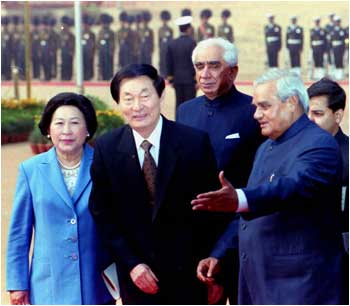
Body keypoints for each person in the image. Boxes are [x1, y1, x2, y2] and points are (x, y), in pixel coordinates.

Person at [194, 69, 345, 304]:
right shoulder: (266, 147)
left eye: (264, 106)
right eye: (255, 107)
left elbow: (290, 187)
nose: (256, 115)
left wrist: (240, 199)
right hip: (256, 283)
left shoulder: (319, 144)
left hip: (299, 287)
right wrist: (219, 254)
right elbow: (246, 211)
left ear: (292, 102)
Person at [89, 64, 222, 305]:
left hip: (191, 276)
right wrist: (131, 263)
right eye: (128, 98)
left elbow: (213, 213)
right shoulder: (107, 148)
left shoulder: (194, 143)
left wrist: (215, 271)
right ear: (118, 104)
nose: (137, 106)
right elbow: (102, 213)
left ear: (160, 95)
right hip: (138, 277)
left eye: (145, 96)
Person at [177, 37, 265, 304]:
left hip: (243, 231)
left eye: (214, 66)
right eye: (199, 66)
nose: (205, 74)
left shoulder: (254, 112)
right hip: (196, 235)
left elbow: (259, 180)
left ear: (233, 71)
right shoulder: (185, 111)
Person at [6, 93, 113, 304]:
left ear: (87, 128)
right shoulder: (31, 170)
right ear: (48, 129)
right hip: (48, 285)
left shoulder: (105, 166)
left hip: (95, 284)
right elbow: (19, 234)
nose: (66, 131)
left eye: (75, 123)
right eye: (59, 123)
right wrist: (17, 284)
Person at [307, 78, 348, 250]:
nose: (309, 119)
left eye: (317, 114)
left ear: (337, 116)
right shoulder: (289, 149)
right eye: (306, 113)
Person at [166, 16, 197, 110]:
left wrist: (171, 79)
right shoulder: (192, 43)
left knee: (179, 105)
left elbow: (169, 62)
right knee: (191, 106)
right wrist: (196, 79)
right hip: (190, 80)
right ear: (188, 28)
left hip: (177, 80)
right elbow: (195, 62)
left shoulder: (172, 43)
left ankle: (178, 123)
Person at [97, 13, 115, 80]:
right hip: (101, 50)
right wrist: (98, 49)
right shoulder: (100, 32)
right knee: (101, 64)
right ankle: (101, 76)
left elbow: (112, 42)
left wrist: (111, 51)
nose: (103, 25)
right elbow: (98, 42)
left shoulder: (111, 32)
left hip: (108, 50)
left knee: (108, 64)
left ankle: (108, 76)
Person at [329, 16, 346, 80]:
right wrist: (330, 48)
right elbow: (330, 41)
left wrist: (344, 48)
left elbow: (345, 40)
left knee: (340, 60)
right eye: (336, 22)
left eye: (338, 21)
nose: (337, 23)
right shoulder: (332, 30)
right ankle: (335, 74)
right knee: (334, 60)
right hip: (334, 47)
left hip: (340, 47)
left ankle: (340, 74)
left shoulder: (342, 30)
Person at [158, 10, 173, 77]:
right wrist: (160, 48)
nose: (164, 21)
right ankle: (162, 74)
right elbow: (159, 40)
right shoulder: (160, 29)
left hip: (168, 47)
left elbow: (171, 39)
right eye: (163, 20)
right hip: (162, 47)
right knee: (162, 62)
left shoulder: (170, 29)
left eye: (165, 20)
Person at [60, 16, 75, 81]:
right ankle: (63, 76)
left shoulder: (71, 35)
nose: (63, 26)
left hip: (69, 51)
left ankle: (68, 76)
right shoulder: (61, 33)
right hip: (63, 50)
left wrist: (72, 51)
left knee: (69, 64)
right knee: (63, 64)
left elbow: (73, 43)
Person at [82, 14, 96, 81]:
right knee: (83, 64)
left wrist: (92, 51)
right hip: (83, 51)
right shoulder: (81, 33)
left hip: (89, 51)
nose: (85, 26)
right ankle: (84, 76)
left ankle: (89, 76)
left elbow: (93, 44)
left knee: (89, 64)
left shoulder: (91, 33)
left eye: (86, 25)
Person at [1, 16, 12, 80]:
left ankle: (8, 76)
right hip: (2, 51)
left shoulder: (9, 33)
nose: (4, 26)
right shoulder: (1, 32)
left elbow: (11, 43)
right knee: (2, 63)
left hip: (8, 51)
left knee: (8, 64)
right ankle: (2, 75)